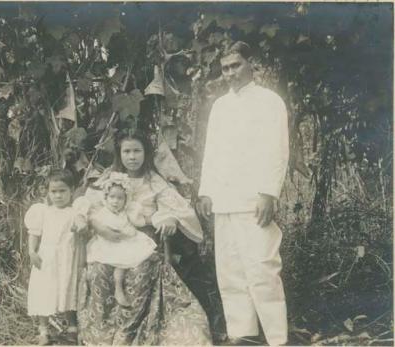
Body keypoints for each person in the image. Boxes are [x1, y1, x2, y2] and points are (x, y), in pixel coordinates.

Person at [77, 129, 212, 345]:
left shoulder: (153, 180)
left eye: (137, 151)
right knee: (98, 272)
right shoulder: (109, 178)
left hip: (143, 240)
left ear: (145, 153)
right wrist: (95, 224)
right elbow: (88, 204)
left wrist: (169, 219)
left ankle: (127, 333)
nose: (132, 157)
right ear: (119, 154)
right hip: (109, 240)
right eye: (127, 151)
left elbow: (177, 208)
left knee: (139, 273)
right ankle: (102, 334)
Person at [197, 41, 289, 345]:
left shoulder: (269, 101)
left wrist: (268, 193)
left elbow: (277, 149)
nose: (230, 73)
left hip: (254, 198)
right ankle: (242, 333)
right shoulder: (221, 106)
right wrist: (206, 191)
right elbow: (211, 152)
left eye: (236, 65)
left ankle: (277, 337)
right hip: (224, 199)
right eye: (225, 68)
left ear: (251, 65)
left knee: (262, 266)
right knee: (231, 269)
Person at [25, 169, 87, 345]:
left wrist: (80, 228)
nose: (58, 196)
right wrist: (32, 251)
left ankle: (72, 328)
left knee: (68, 289)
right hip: (47, 258)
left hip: (67, 258)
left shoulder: (74, 212)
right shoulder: (43, 211)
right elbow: (34, 233)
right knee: (44, 291)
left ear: (72, 190)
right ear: (48, 192)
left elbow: (82, 231)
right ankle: (43, 330)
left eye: (63, 191)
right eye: (54, 191)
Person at [85, 172, 157, 307]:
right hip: (108, 244)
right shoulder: (102, 212)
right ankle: (118, 289)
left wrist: (155, 219)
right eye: (112, 197)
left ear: (126, 200)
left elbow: (139, 223)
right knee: (121, 263)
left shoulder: (126, 212)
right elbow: (97, 225)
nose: (115, 201)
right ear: (106, 197)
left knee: (140, 250)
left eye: (120, 198)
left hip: (125, 241)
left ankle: (152, 256)